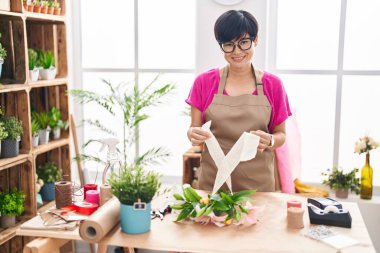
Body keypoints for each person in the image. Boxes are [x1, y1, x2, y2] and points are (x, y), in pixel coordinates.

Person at [185, 10, 292, 192]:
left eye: (243, 42)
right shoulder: (203, 83)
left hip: (258, 188)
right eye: (229, 44)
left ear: (255, 39)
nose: (237, 52)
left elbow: (281, 135)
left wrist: (271, 140)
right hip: (213, 186)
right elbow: (194, 131)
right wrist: (193, 134)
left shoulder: (273, 85)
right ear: (221, 46)